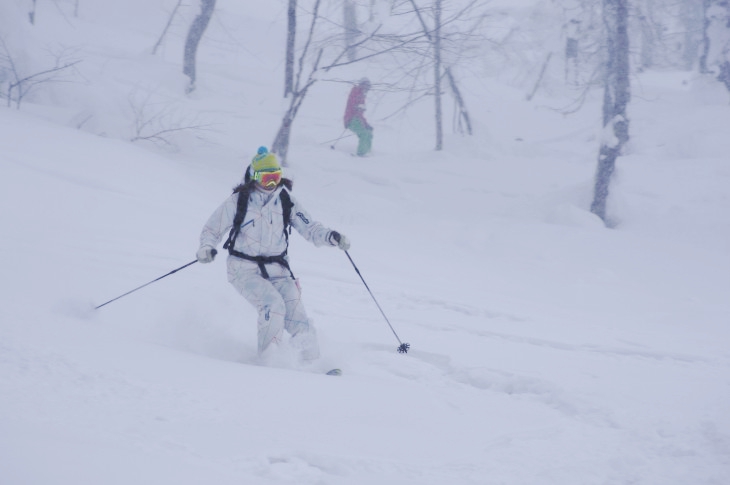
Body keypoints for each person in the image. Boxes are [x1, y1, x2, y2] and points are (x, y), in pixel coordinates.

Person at [196, 147, 350, 362]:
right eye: (266, 178)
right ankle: (270, 360)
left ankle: (313, 364)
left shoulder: (286, 200)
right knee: (273, 305)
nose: (271, 184)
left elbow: (311, 228)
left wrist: (331, 237)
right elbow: (212, 230)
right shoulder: (238, 201)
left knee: (297, 315)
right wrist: (206, 247)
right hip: (243, 270)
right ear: (254, 177)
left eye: (276, 177)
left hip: (279, 270)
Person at [344, 78, 373, 156]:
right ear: (362, 85)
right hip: (351, 119)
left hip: (357, 119)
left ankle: (368, 151)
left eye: (368, 87)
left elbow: (360, 114)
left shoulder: (362, 96)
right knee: (364, 134)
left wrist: (366, 124)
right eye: (366, 86)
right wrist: (357, 107)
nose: (367, 88)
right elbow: (353, 105)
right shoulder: (356, 91)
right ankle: (361, 153)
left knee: (369, 132)